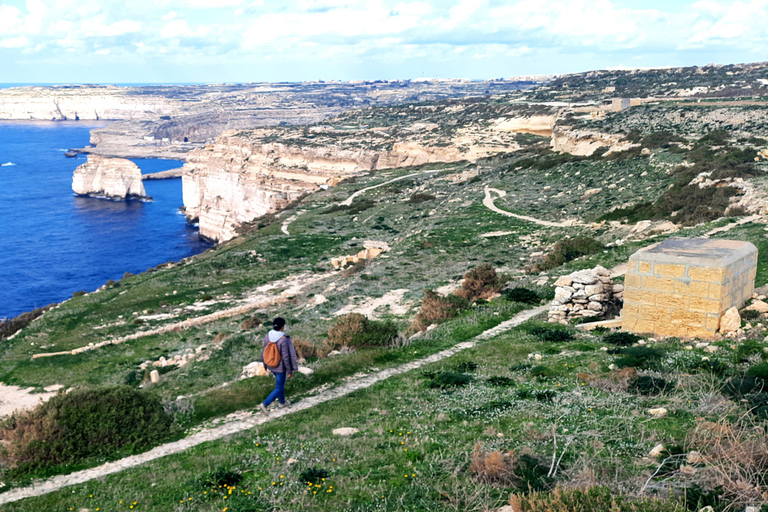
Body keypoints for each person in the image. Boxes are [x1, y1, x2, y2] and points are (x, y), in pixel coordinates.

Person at [259, 317, 298, 415]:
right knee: (279, 387)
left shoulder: (268, 335)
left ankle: (282, 402)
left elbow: (264, 350)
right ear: (282, 327)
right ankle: (265, 404)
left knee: (280, 384)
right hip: (280, 367)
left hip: (271, 365)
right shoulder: (283, 339)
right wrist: (289, 370)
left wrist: (264, 363)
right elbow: (285, 357)